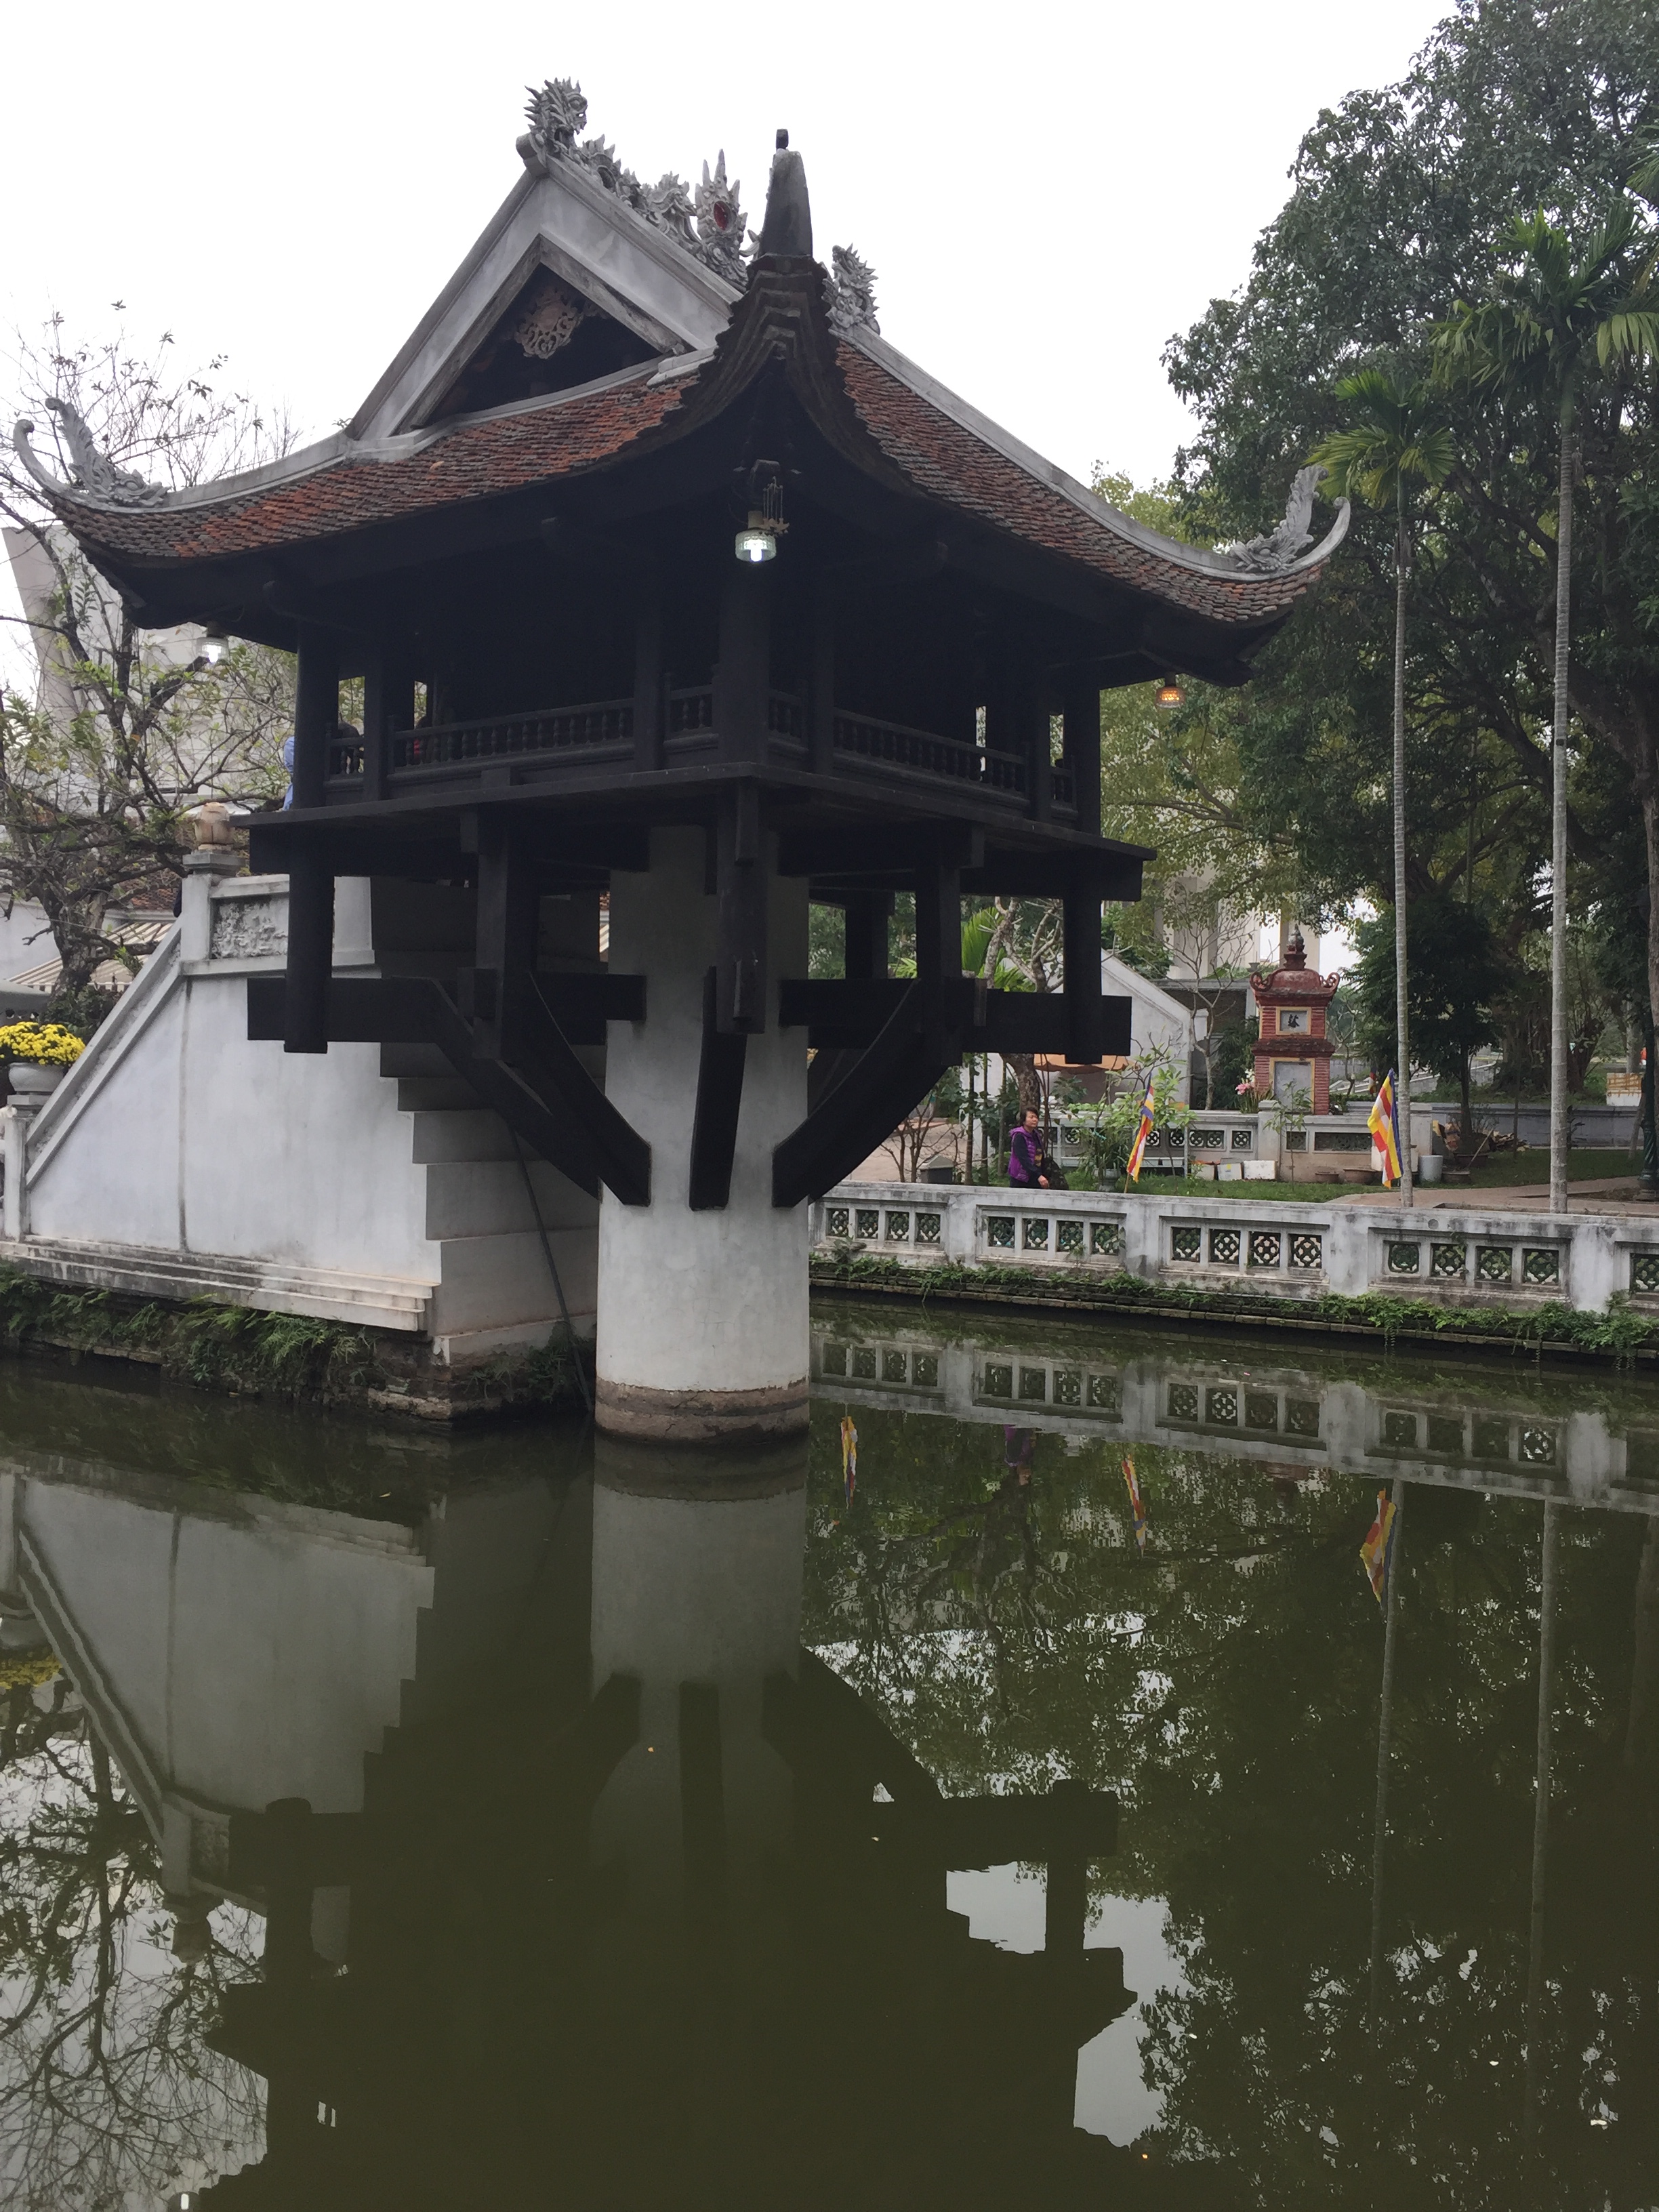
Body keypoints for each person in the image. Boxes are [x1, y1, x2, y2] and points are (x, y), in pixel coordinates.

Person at [1008, 1107, 1050, 1188]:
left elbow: (1039, 1156)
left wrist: (1041, 1174)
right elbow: (1023, 1159)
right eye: (1031, 1117)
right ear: (1023, 1120)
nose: (1035, 1120)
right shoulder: (1019, 1136)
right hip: (1020, 1178)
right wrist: (1038, 1176)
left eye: (1036, 1117)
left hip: (1034, 1176)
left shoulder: (1036, 1135)